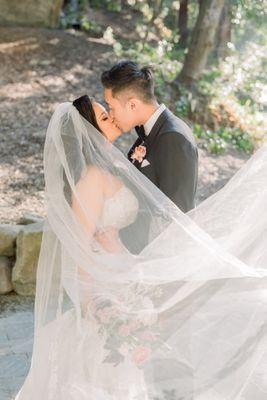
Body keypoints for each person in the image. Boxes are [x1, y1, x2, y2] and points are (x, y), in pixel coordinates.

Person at [15, 97, 267, 400]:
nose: (113, 120)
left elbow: (108, 232)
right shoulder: (92, 179)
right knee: (105, 366)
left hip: (124, 266)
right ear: (88, 129)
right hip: (105, 283)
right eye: (104, 118)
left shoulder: (107, 168)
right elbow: (80, 250)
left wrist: (122, 255)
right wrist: (97, 304)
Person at [101, 60, 198, 213]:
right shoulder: (149, 130)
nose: (111, 115)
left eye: (111, 107)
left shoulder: (174, 138)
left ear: (132, 105)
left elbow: (178, 212)